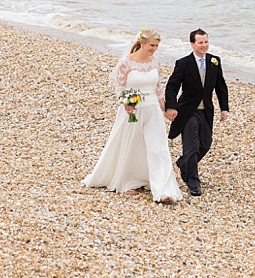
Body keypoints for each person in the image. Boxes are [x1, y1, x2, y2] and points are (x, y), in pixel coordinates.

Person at [83, 29, 183, 204]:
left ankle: (162, 188)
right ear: (142, 43)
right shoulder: (127, 63)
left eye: (157, 46)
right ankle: (127, 182)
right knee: (131, 145)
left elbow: (158, 89)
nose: (154, 49)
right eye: (152, 45)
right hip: (133, 110)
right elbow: (119, 88)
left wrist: (166, 109)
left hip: (152, 108)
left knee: (157, 147)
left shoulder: (156, 62)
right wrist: (126, 104)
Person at [165, 28, 229, 197]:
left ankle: (183, 163)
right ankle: (193, 181)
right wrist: (171, 107)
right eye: (200, 42)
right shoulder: (183, 63)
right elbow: (172, 87)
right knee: (191, 147)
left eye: (206, 42)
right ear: (192, 44)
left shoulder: (215, 61)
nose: (204, 45)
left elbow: (221, 87)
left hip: (206, 111)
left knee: (205, 144)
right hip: (188, 112)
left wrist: (224, 108)